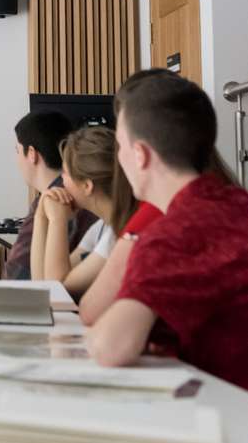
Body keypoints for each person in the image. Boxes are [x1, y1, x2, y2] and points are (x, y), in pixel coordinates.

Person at [87, 70, 248, 390]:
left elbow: (111, 347)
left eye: (119, 145)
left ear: (140, 154)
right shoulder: (238, 203)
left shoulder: (170, 235)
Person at [30, 127, 138, 300]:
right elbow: (41, 286)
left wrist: (58, 220)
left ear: (87, 186)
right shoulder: (102, 226)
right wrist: (41, 218)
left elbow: (55, 290)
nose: (61, 180)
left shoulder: (119, 233)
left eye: (65, 172)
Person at [4, 111, 97, 280]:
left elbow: (20, 276)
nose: (17, 159)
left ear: (31, 154)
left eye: (17, 151)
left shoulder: (55, 200)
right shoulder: (83, 197)